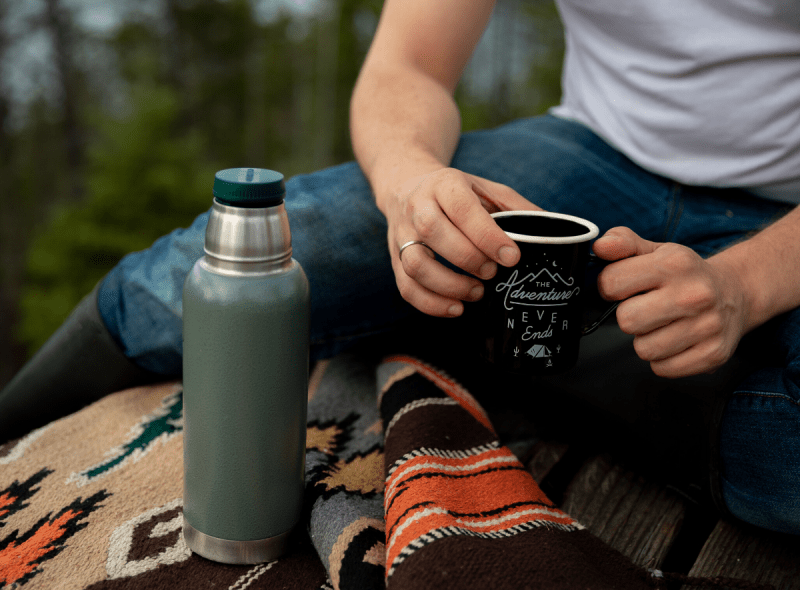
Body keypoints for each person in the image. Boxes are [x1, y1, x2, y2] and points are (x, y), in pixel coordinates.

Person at [2, 0, 799, 535]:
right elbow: (408, 64)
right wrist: (411, 181)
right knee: (278, 244)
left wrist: (745, 284)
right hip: (592, 154)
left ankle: (544, 367)